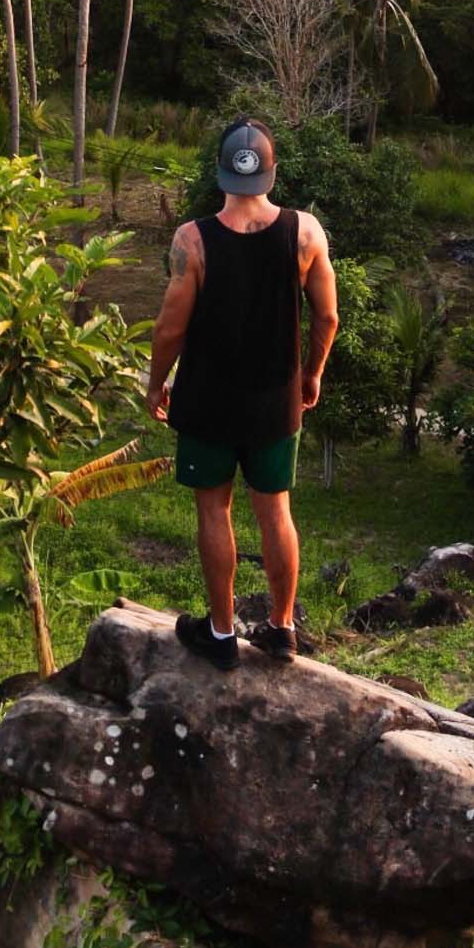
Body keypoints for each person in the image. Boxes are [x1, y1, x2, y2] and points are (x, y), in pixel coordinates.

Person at [146, 117, 338, 669]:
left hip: (207, 400)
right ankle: (281, 629)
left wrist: (157, 383)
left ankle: (223, 634)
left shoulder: (193, 239)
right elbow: (327, 316)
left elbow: (169, 328)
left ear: (221, 173)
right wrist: (311, 373)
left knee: (214, 511)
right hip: (274, 401)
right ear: (272, 172)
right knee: (275, 511)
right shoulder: (306, 233)